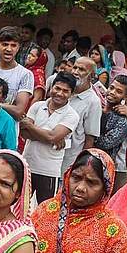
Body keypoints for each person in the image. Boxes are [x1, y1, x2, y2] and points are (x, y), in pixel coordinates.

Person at [20, 72, 81, 204]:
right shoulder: (37, 106)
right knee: (21, 206)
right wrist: (49, 136)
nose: (59, 93)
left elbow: (51, 137)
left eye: (65, 91)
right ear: (51, 88)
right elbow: (24, 132)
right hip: (27, 165)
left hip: (49, 170)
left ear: (71, 94)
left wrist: (30, 125)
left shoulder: (72, 115)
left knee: (45, 210)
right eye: (57, 88)